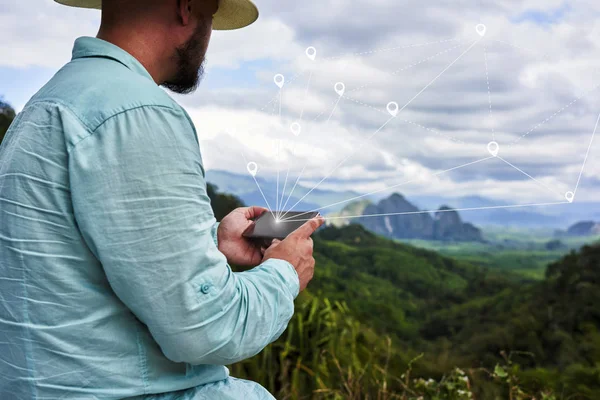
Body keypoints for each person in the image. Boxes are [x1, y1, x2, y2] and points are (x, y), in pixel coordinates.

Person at [0, 0, 324, 398]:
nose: (208, 39)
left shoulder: (49, 103)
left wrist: (213, 246)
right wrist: (284, 272)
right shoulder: (137, 112)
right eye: (210, 18)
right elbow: (208, 329)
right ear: (187, 8)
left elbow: (82, 262)